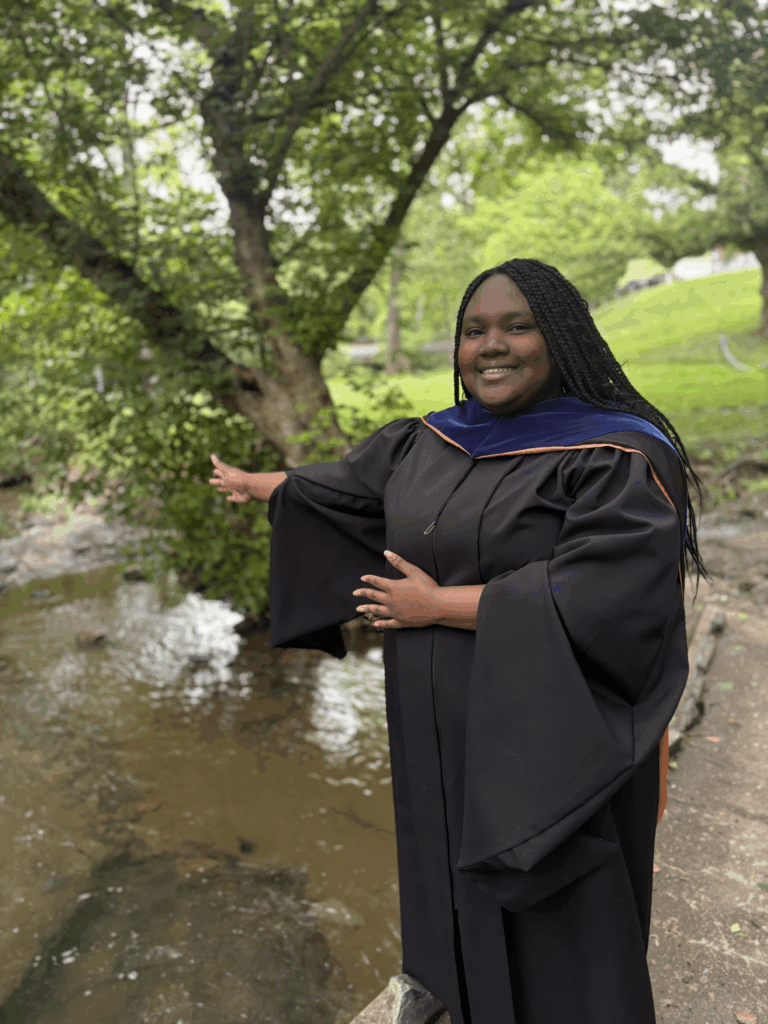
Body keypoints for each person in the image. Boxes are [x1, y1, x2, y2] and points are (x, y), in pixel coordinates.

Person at [208, 259, 706, 1024]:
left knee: (555, 904)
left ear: (561, 336)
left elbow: (605, 597)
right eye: (475, 331)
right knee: (448, 888)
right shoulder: (431, 441)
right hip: (435, 730)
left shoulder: (616, 455)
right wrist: (259, 483)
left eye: (516, 326)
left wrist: (438, 605)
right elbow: (343, 487)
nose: (491, 346)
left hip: (546, 736)